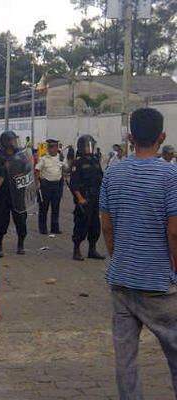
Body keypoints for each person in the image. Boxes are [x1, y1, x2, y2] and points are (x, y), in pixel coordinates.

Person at [99, 108, 177, 399]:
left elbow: (106, 227)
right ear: (162, 137)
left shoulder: (113, 172)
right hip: (159, 286)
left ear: (130, 138)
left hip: (121, 282)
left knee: (126, 361)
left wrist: (118, 258)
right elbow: (174, 232)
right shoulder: (171, 174)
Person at [70, 134, 105, 261]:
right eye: (86, 146)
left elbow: (101, 178)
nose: (89, 149)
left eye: (91, 146)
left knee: (95, 225)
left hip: (95, 198)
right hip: (84, 199)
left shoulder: (95, 160)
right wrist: (80, 198)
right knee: (81, 225)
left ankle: (92, 249)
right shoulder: (78, 162)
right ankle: (77, 250)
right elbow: (74, 184)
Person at [0, 130, 29, 256]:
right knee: (1, 221)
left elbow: (28, 167)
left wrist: (24, 173)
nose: (14, 143)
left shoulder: (21, 154)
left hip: (18, 193)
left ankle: (20, 244)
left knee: (21, 220)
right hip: (4, 194)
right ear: (6, 142)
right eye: (12, 141)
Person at [35, 138, 66, 235]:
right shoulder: (43, 158)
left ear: (57, 147)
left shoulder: (60, 157)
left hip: (57, 185)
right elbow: (37, 170)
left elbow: (65, 168)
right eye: (50, 146)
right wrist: (37, 184)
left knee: (55, 208)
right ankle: (43, 228)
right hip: (46, 186)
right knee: (44, 208)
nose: (52, 148)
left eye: (54, 146)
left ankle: (55, 227)